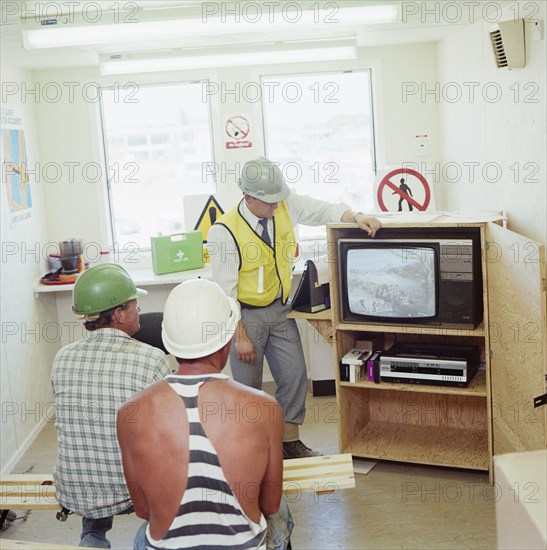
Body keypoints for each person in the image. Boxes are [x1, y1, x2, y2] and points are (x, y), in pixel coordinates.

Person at [207, 156, 381, 459]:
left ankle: (289, 443)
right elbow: (225, 293)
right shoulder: (225, 231)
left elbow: (324, 209)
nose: (276, 206)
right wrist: (240, 336)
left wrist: (357, 215)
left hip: (280, 310)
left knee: (295, 375)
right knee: (247, 388)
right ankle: (250, 451)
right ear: (249, 197)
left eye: (279, 199)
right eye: (269, 202)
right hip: (245, 316)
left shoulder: (285, 204)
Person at [117, 278, 289, 549]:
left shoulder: (130, 413)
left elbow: (143, 511)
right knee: (283, 516)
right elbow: (270, 504)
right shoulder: (265, 408)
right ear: (227, 340)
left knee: (142, 535)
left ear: (168, 340)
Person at [51, 264, 171, 548]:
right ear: (118, 314)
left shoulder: (62, 357)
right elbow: (167, 432)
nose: (139, 309)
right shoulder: (152, 359)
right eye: (134, 304)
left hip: (73, 490)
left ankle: (92, 536)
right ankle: (156, 535)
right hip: (128, 492)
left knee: (92, 436)